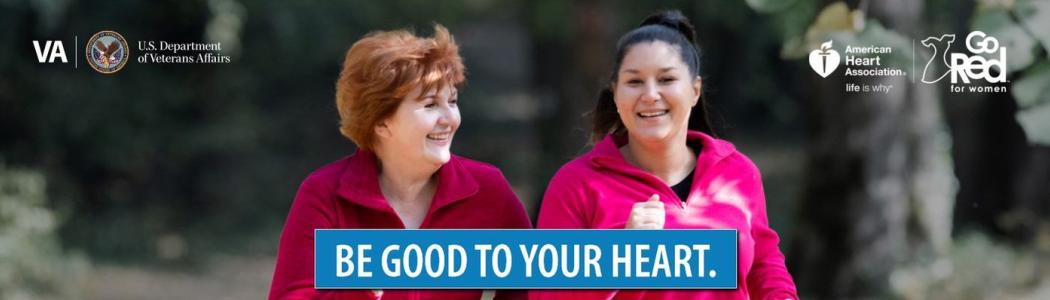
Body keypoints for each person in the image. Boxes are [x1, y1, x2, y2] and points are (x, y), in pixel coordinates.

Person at [532, 10, 798, 300]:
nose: (650, 94)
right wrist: (619, 259)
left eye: (666, 79)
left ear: (695, 91)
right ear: (616, 94)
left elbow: (763, 264)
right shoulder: (575, 184)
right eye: (634, 82)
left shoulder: (738, 172)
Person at [269, 24, 532, 300]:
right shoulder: (323, 194)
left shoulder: (488, 189)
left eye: (452, 101)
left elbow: (531, 288)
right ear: (381, 122)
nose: (449, 119)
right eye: (430, 105)